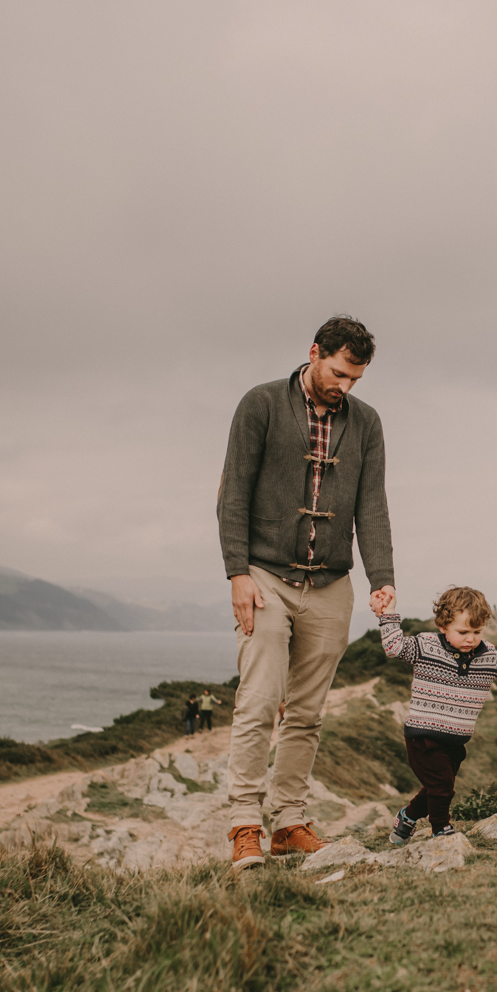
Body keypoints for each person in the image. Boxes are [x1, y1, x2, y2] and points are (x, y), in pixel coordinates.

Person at [217, 315, 395, 871]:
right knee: (260, 699)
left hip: (331, 584)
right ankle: (245, 823)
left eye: (355, 379)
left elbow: (372, 503)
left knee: (309, 712)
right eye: (340, 373)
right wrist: (236, 573)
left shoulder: (366, 423)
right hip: (265, 576)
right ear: (315, 352)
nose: (345, 387)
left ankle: (288, 822)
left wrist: (382, 577)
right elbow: (233, 493)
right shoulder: (261, 403)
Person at [377, 587, 497, 842]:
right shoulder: (426, 646)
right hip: (423, 736)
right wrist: (388, 614)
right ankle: (441, 830)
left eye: (477, 632)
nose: (470, 638)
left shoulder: (487, 656)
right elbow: (394, 647)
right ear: (443, 626)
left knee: (437, 788)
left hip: (455, 742)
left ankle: (407, 817)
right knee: (442, 787)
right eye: (463, 632)